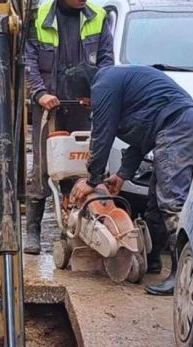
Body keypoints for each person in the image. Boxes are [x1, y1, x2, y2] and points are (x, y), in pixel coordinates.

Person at [75, 65, 193, 296]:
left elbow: (102, 134)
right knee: (155, 201)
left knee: (172, 203)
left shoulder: (103, 86)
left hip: (177, 125)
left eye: (85, 102)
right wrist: (123, 174)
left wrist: (93, 179)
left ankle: (183, 276)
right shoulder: (118, 85)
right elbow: (139, 136)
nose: (87, 106)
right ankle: (153, 260)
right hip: (176, 123)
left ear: (87, 92)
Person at [23, 0, 114, 254]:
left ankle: (78, 230)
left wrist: (97, 93)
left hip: (82, 105)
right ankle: (32, 230)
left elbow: (106, 61)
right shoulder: (38, 18)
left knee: (80, 167)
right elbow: (28, 60)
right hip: (48, 105)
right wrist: (40, 93)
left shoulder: (97, 16)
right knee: (43, 167)